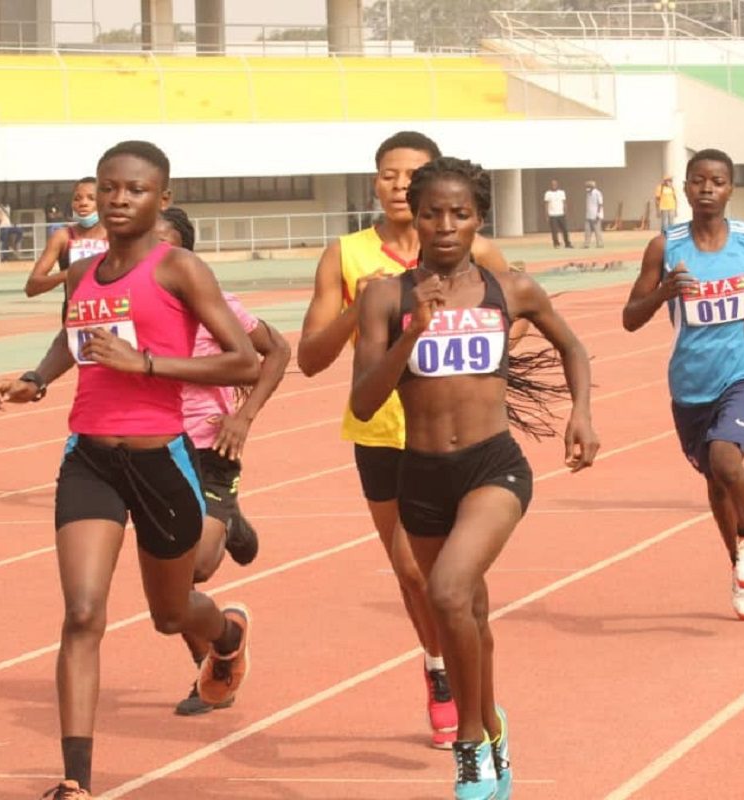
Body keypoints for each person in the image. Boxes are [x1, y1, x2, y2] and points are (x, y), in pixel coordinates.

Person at [0, 141, 260, 800]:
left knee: (170, 615)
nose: (117, 199)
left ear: (161, 199)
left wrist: (150, 367)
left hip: (161, 460)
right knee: (82, 614)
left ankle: (225, 635)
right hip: (90, 460)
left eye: (135, 190)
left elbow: (245, 360)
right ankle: (75, 780)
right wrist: (36, 380)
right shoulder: (82, 274)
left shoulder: (180, 269)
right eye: (108, 188)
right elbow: (71, 339)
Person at [351, 156, 599, 800]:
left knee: (450, 592)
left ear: (478, 219)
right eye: (431, 212)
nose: (444, 225)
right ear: (413, 215)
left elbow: (571, 345)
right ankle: (491, 725)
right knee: (471, 613)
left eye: (459, 213)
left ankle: (468, 744)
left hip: (493, 466)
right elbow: (363, 402)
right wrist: (412, 335)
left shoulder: (509, 288)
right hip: (422, 473)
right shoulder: (385, 296)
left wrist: (582, 414)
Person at [297, 130, 512, 749]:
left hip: (463, 441)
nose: (398, 184)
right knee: (417, 576)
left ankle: (477, 702)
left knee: (456, 582)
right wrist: (359, 308)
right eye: (389, 175)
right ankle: (441, 668)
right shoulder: (347, 255)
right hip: (382, 434)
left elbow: (513, 321)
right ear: (379, 185)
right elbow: (310, 358)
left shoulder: (481, 252)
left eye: (410, 174)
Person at [622, 148, 744, 622]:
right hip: (691, 384)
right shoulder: (665, 247)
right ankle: (737, 560)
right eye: (698, 181)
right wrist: (664, 291)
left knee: (726, 456)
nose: (707, 189)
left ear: (730, 189)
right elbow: (629, 319)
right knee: (717, 481)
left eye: (717, 181)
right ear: (685, 187)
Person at [153, 206, 291, 716]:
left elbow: (277, 350)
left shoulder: (217, 304)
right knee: (173, 585)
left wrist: (245, 416)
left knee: (200, 566)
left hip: (210, 446)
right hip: (153, 447)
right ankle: (210, 668)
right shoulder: (128, 305)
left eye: (166, 246)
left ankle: (227, 522)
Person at [25, 178, 109, 309]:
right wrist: (69, 274)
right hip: (74, 322)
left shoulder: (117, 236)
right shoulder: (62, 237)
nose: (83, 203)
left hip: (113, 320)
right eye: (77, 198)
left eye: (91, 198)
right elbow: (32, 287)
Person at [543, 179, 572, 248]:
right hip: (552, 215)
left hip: (561, 214)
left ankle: (567, 243)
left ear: (557, 185)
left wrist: (566, 212)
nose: (554, 186)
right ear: (551, 185)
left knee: (565, 229)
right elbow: (546, 205)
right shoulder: (548, 193)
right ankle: (556, 244)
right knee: (554, 231)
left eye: (555, 184)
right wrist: (546, 215)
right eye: (552, 184)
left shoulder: (561, 193)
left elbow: (564, 203)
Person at [583, 180, 604, 248]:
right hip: (588, 215)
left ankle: (600, 244)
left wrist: (598, 214)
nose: (587, 188)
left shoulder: (598, 193)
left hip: (595, 216)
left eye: (588, 186)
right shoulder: (588, 193)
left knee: (597, 230)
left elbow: (600, 204)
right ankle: (586, 244)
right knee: (587, 231)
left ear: (592, 187)